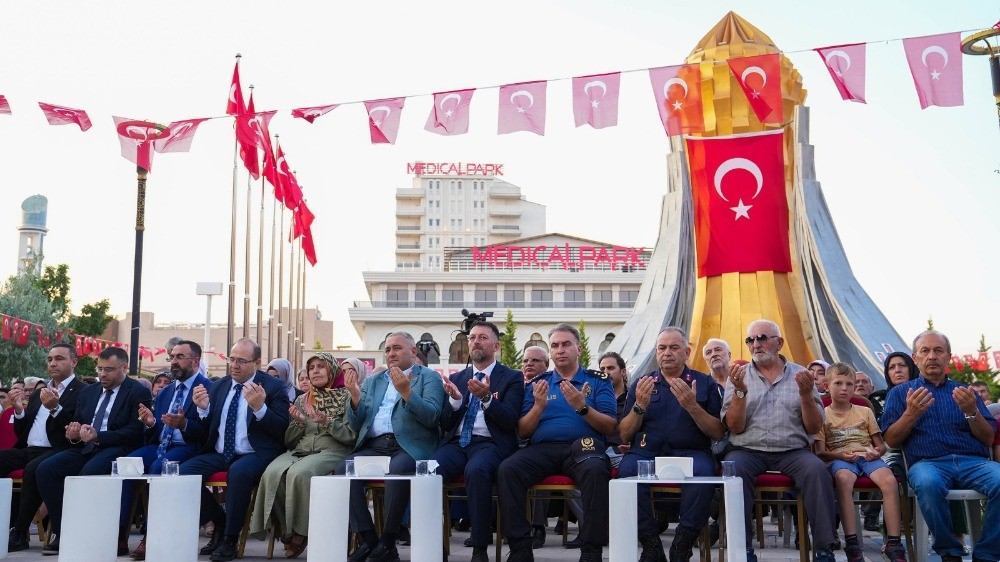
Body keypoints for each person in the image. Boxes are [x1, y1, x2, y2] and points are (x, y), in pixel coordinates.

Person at [497, 323, 617, 562]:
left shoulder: (599, 381)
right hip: (543, 448)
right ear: (550, 352)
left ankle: (591, 550)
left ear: (579, 349)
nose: (560, 350)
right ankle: (521, 548)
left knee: (595, 471)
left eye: (566, 344)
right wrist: (538, 408)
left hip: (584, 446)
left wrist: (582, 407)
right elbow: (522, 432)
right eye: (555, 345)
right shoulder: (537, 383)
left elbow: (610, 427)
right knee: (508, 470)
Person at [721, 319, 837, 562]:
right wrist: (740, 392)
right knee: (733, 471)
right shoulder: (738, 376)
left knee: (816, 469)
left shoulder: (801, 375)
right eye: (750, 340)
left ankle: (824, 549)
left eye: (762, 337)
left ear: (779, 343)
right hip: (747, 450)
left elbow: (815, 427)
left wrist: (806, 396)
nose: (756, 344)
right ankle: (742, 549)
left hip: (792, 450)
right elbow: (734, 427)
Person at [881, 330, 1000, 562]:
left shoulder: (966, 393)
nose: (932, 356)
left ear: (949, 357)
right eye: (925, 351)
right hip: (928, 464)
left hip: (972, 462)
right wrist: (911, 414)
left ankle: (987, 553)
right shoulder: (900, 393)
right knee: (927, 483)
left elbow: (987, 438)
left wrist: (972, 412)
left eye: (938, 351)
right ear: (915, 358)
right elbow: (891, 440)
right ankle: (949, 550)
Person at [617, 328, 724, 562]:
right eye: (662, 348)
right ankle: (650, 543)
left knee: (704, 474)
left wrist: (692, 406)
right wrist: (639, 407)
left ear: (686, 352)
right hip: (648, 454)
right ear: (656, 352)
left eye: (674, 348)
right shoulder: (642, 384)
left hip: (691, 452)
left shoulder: (703, 383)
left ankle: (682, 543)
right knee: (625, 473)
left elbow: (717, 432)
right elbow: (624, 435)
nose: (667, 353)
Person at [34, 347, 152, 556]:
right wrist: (74, 433)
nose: (102, 374)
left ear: (124, 368)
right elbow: (79, 422)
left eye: (109, 369)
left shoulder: (137, 391)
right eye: (100, 369)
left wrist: (99, 436)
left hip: (118, 449)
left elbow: (134, 432)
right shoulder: (89, 391)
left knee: (89, 473)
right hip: (86, 447)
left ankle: (94, 533)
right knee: (46, 469)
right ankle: (65, 533)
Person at [181, 338, 290, 562]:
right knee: (182, 474)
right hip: (221, 453)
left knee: (239, 473)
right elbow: (208, 428)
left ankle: (230, 539)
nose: (234, 365)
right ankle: (219, 521)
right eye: (231, 359)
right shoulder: (220, 385)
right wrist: (203, 411)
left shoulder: (272, 387)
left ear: (257, 362)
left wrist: (260, 409)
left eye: (241, 360)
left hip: (256, 453)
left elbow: (283, 429)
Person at [341, 331, 446, 562]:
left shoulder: (429, 377)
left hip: (408, 446)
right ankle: (369, 539)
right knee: (341, 470)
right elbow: (357, 424)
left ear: (413, 351)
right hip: (376, 445)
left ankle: (388, 541)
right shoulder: (373, 381)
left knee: (396, 472)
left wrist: (406, 392)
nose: (391, 353)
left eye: (397, 348)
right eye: (387, 349)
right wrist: (355, 397)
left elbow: (432, 417)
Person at [250, 352, 356, 558]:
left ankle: (301, 531)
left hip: (333, 450)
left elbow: (351, 436)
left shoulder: (346, 398)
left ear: (332, 369)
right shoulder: (301, 399)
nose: (315, 371)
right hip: (300, 450)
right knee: (271, 473)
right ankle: (285, 528)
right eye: (311, 368)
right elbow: (289, 441)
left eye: (321, 366)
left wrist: (327, 422)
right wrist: (298, 424)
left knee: (299, 473)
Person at [433, 321, 523, 562]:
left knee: (477, 470)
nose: (475, 342)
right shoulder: (458, 377)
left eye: (482, 337)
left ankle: (480, 549)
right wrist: (453, 401)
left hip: (490, 443)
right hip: (457, 443)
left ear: (495, 345)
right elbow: (444, 422)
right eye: (472, 337)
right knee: (429, 472)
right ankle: (433, 545)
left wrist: (486, 398)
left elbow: (509, 420)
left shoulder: (512, 378)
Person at [124, 340, 212, 560]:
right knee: (126, 465)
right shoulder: (165, 392)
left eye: (180, 357)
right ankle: (118, 535)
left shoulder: (208, 388)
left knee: (158, 467)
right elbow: (157, 432)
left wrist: (184, 424)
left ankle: (151, 536)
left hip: (190, 447)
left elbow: (209, 432)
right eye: (172, 357)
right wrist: (152, 422)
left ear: (196, 360)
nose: (174, 362)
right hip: (161, 445)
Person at [814, 363, 905, 562]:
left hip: (867, 456)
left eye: (849, 384)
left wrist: (876, 452)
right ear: (827, 386)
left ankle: (894, 542)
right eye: (838, 383)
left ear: (855, 386)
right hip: (841, 459)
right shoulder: (822, 414)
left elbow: (881, 445)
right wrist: (840, 456)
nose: (844, 388)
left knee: (889, 481)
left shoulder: (865, 411)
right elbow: (820, 451)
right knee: (843, 480)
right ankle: (852, 543)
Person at [3, 343, 86, 552]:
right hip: (29, 448)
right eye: (50, 359)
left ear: (74, 362)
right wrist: (20, 411)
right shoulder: (42, 390)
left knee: (34, 468)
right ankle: (8, 525)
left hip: (60, 449)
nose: (53, 363)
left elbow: (76, 426)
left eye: (59, 358)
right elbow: (23, 430)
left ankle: (20, 532)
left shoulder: (83, 392)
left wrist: (55, 408)